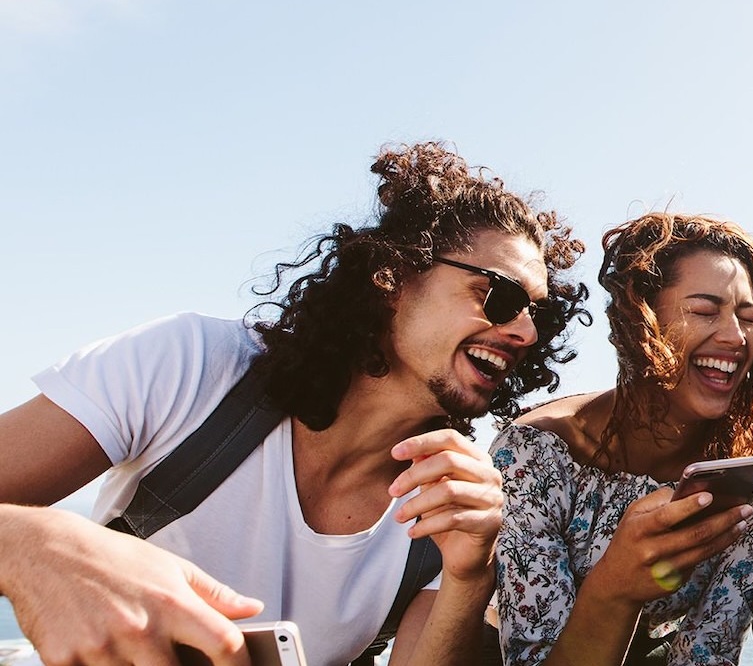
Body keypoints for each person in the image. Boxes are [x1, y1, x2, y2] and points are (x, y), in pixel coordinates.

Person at [0, 142, 587, 665]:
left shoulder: (452, 504)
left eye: (543, 313)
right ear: (393, 276)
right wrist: (42, 544)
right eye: (501, 295)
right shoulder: (192, 365)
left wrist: (468, 576)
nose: (527, 333)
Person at [491, 212, 753, 665]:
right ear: (639, 322)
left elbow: (710, 645)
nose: (735, 337)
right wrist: (614, 586)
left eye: (749, 317)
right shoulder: (535, 452)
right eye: (704, 311)